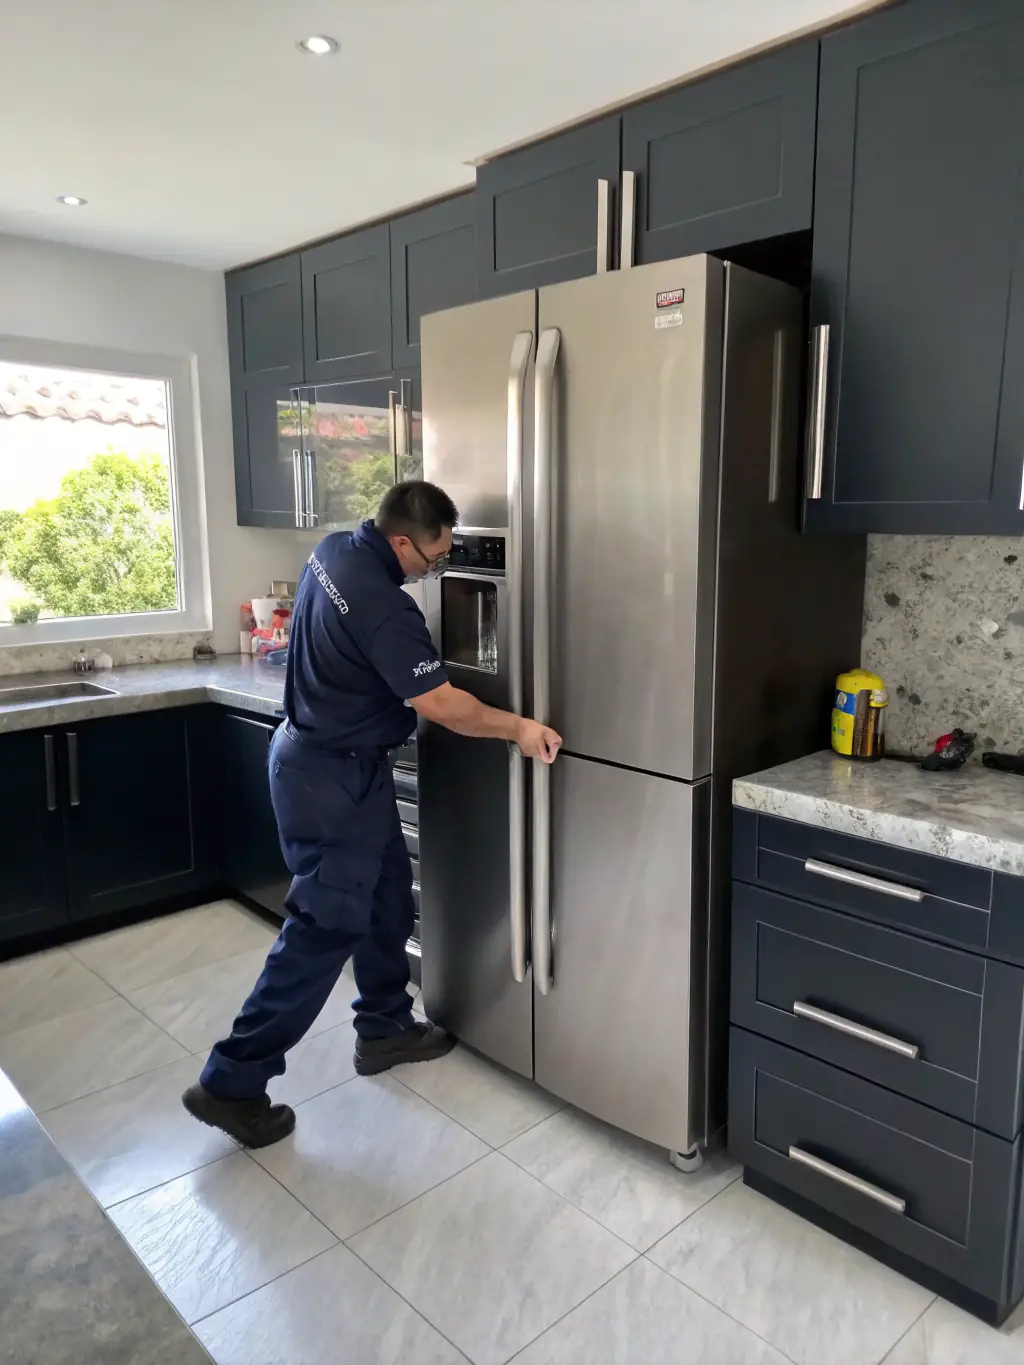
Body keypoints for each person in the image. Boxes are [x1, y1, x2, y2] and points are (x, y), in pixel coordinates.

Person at [182, 480, 561, 1148]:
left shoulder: (331, 550)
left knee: (388, 892)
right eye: (432, 558)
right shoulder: (386, 608)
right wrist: (519, 727)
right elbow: (443, 705)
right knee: (322, 930)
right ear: (399, 542)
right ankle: (231, 1080)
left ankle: (383, 1024)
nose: (433, 570)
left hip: (322, 760)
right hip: (331, 779)